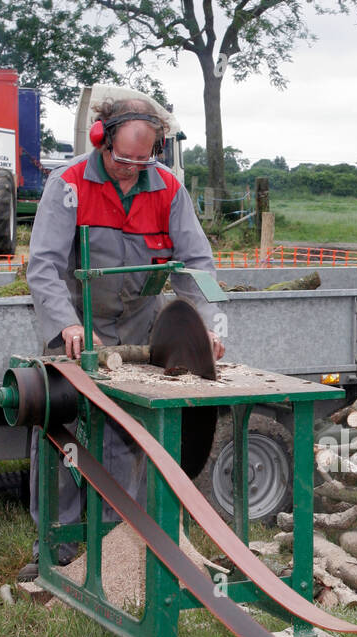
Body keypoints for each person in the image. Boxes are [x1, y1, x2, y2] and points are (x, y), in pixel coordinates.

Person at [18, 96, 225, 580]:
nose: (131, 171)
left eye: (143, 160)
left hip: (136, 328)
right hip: (75, 325)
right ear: (101, 139)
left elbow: (197, 266)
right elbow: (44, 266)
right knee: (60, 431)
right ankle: (57, 545)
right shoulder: (67, 184)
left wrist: (208, 322)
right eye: (122, 159)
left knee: (128, 436)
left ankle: (118, 545)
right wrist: (67, 323)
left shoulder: (170, 190)